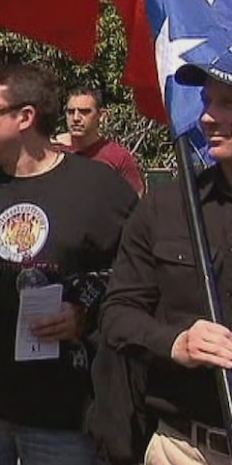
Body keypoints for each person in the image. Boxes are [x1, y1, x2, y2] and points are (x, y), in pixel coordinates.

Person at [0, 65, 138, 465]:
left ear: (25, 117)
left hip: (61, 415)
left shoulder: (100, 189)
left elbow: (135, 279)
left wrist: (86, 313)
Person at [98, 51, 232, 465]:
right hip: (185, 447)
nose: (207, 117)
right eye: (207, 102)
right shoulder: (167, 206)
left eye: (227, 103)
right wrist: (175, 342)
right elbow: (118, 313)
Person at [59, 87, 145, 195]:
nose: (76, 118)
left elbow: (137, 200)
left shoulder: (118, 157)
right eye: (71, 112)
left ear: (101, 115)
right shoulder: (54, 153)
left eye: (85, 112)